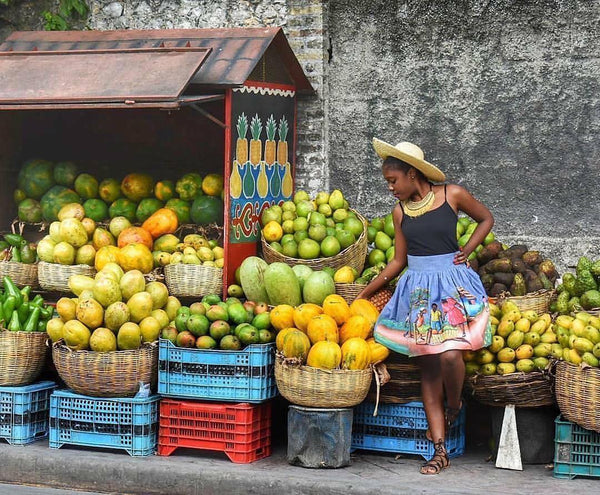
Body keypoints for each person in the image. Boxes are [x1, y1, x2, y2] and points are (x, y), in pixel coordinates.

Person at [355, 138, 494, 475]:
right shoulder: (400, 213)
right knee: (429, 368)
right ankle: (439, 450)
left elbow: (485, 219)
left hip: (452, 288)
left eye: (393, 181)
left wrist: (468, 251)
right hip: (418, 293)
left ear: (412, 174)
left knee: (450, 355)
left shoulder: (452, 195)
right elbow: (398, 261)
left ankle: (456, 402)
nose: (391, 188)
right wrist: (363, 294)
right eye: (388, 182)